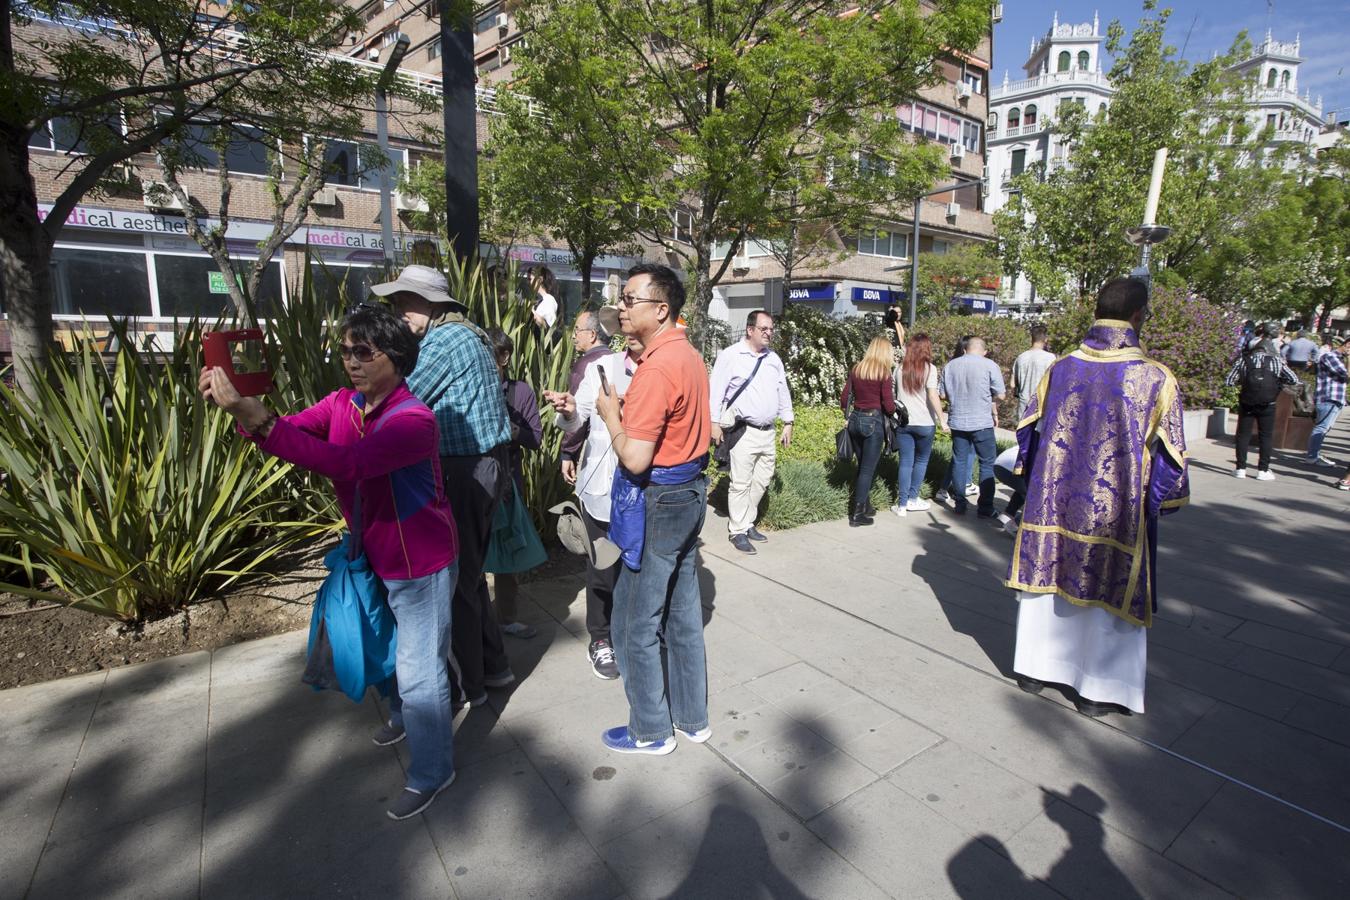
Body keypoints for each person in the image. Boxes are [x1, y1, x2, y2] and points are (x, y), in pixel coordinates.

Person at [199, 305, 459, 820]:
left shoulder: (414, 420)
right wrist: (242, 411)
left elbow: (349, 464)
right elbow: (286, 432)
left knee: (420, 668)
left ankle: (433, 770)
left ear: (397, 357)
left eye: (364, 352)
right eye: (346, 351)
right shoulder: (344, 403)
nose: (352, 362)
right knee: (393, 647)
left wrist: (259, 419)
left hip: (421, 561)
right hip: (375, 553)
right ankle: (407, 716)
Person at [1007, 277, 1189, 718]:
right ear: (1138, 316)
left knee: (1047, 590)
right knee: (1110, 597)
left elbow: (1027, 435)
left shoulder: (1061, 368)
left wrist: (1035, 483)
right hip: (1116, 516)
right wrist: (1164, 501)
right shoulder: (1156, 379)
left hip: (1054, 506)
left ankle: (1035, 670)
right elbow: (1170, 461)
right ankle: (1098, 690)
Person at [377, 265, 515, 710]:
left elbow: (399, 399)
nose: (399, 313)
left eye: (405, 303)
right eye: (396, 304)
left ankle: (470, 683)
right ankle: (493, 667)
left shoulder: (443, 341)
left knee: (456, 582)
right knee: (469, 577)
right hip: (481, 467)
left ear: (432, 304)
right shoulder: (466, 333)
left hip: (465, 470)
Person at [594, 263, 711, 755]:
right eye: (622, 298)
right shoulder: (685, 354)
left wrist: (611, 415)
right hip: (689, 493)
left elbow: (636, 455)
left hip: (658, 499)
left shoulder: (657, 368)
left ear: (661, 310)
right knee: (683, 614)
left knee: (633, 623)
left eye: (630, 299)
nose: (621, 307)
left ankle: (651, 730)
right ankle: (692, 719)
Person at [545, 334, 646, 680]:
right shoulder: (602, 367)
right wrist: (571, 412)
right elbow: (578, 418)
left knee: (639, 570)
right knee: (602, 569)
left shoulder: (662, 367)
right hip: (602, 490)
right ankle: (600, 637)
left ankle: (632, 633)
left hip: (645, 491)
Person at [709, 310, 794, 554]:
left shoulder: (773, 359)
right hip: (743, 431)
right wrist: (714, 423)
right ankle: (738, 530)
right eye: (764, 329)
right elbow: (716, 391)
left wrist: (788, 421)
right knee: (741, 483)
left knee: (762, 480)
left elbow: (782, 391)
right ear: (750, 330)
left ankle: (747, 522)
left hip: (768, 432)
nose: (769, 333)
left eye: (771, 329)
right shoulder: (731, 356)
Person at [485, 328, 544, 639]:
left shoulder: (520, 392)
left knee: (508, 557)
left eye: (488, 357)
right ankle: (478, 616)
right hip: (475, 485)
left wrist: (512, 430)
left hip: (508, 487)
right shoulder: (469, 388)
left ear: (504, 358)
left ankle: (506, 618)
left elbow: (536, 438)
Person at [939, 335, 1006, 517]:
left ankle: (960, 504)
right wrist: (991, 405)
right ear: (984, 351)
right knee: (987, 463)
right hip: (982, 422)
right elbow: (1001, 395)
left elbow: (943, 395)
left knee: (959, 462)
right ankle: (985, 508)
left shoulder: (951, 366)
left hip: (958, 421)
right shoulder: (990, 365)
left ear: (965, 349)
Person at [1224, 334, 1299, 479]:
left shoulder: (1244, 361)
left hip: (1247, 402)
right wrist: (1277, 383)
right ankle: (1263, 470)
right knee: (1265, 436)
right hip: (1268, 404)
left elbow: (1229, 381)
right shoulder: (1277, 361)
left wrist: (1245, 382)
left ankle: (1240, 468)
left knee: (1243, 435)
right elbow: (1293, 379)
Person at [841, 337, 897, 527]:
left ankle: (865, 505)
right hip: (873, 422)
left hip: (855, 420)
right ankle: (857, 515)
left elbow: (844, 397)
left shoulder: (857, 368)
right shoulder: (884, 373)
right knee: (867, 469)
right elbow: (889, 407)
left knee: (862, 465)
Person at [890, 333, 947, 517]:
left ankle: (902, 505)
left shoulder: (899, 369)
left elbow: (894, 395)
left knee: (905, 463)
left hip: (904, 422)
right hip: (925, 423)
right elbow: (932, 395)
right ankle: (914, 499)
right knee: (921, 461)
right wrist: (942, 419)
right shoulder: (930, 369)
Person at [559, 311, 613, 487]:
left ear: (592, 335)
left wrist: (568, 453)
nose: (574, 336)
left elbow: (576, 413)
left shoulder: (585, 365)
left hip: (591, 448)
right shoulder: (615, 360)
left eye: (577, 330)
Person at [1306, 335, 1348, 467]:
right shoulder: (1330, 357)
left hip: (1335, 398)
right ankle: (1312, 456)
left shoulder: (1339, 359)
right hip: (1328, 397)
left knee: (1324, 428)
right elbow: (1346, 374)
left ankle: (1315, 454)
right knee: (1321, 427)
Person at [1011, 327, 1056, 422]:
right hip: (1042, 405)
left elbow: (1012, 384)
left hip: (1024, 405)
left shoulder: (1021, 357)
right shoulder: (1051, 358)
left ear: (1032, 339)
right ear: (1046, 340)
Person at [528, 265, 559, 331]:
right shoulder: (536, 300)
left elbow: (549, 328)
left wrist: (531, 311)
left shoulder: (549, 300)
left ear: (540, 280)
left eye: (530, 279)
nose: (528, 282)